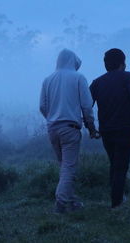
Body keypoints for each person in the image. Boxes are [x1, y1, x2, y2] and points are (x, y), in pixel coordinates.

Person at [39, 49, 99, 214]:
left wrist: (52, 118)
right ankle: (60, 203)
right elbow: (87, 106)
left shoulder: (48, 79)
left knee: (65, 166)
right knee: (69, 167)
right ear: (73, 62)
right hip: (70, 129)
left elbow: (42, 106)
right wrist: (91, 128)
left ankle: (72, 202)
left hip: (52, 129)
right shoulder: (78, 78)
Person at [90, 48, 130, 208]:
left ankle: (116, 197)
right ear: (122, 63)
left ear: (106, 65)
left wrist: (91, 127)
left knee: (114, 163)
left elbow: (86, 105)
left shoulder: (97, 82)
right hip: (124, 128)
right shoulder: (128, 77)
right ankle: (117, 202)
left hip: (106, 131)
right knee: (121, 166)